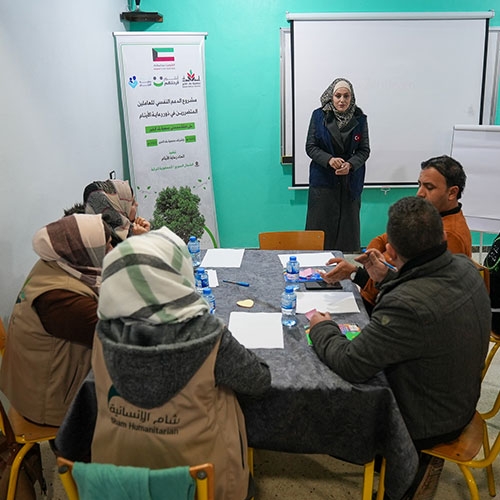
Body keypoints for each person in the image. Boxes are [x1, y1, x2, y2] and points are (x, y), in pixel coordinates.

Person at [309, 197, 491, 500]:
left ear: (390, 249)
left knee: (336, 393)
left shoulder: (406, 305)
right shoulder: (463, 266)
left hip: (430, 421)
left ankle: (404, 465)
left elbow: (352, 364)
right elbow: (425, 288)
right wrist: (367, 274)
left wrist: (321, 328)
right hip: (461, 399)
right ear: (442, 237)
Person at [90, 226, 271, 500]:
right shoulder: (207, 334)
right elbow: (258, 381)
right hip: (201, 479)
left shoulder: (103, 332)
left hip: (120, 478)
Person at [321, 155, 472, 314]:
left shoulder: (448, 235)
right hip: (377, 294)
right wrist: (373, 259)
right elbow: (381, 239)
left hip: (392, 308)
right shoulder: (427, 218)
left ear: (452, 192)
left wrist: (359, 272)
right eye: (419, 185)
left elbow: (410, 289)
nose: (420, 193)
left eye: (429, 187)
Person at [0, 214, 112, 426]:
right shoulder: (62, 298)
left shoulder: (56, 263)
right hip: (51, 402)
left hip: (39, 383)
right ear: (83, 252)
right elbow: (119, 334)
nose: (112, 252)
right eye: (105, 248)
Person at [305, 77, 370, 252]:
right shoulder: (319, 116)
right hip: (324, 182)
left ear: (352, 97)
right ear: (331, 96)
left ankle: (345, 270)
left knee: (347, 234)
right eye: (338, 96)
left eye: (346, 96)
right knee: (320, 233)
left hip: (350, 183)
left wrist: (350, 165)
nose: (342, 100)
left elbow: (364, 151)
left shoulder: (360, 118)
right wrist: (329, 160)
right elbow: (310, 147)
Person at [84, 179, 150, 242]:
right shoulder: (109, 243)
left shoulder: (90, 234)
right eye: (132, 203)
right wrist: (142, 239)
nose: (137, 204)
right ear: (115, 208)